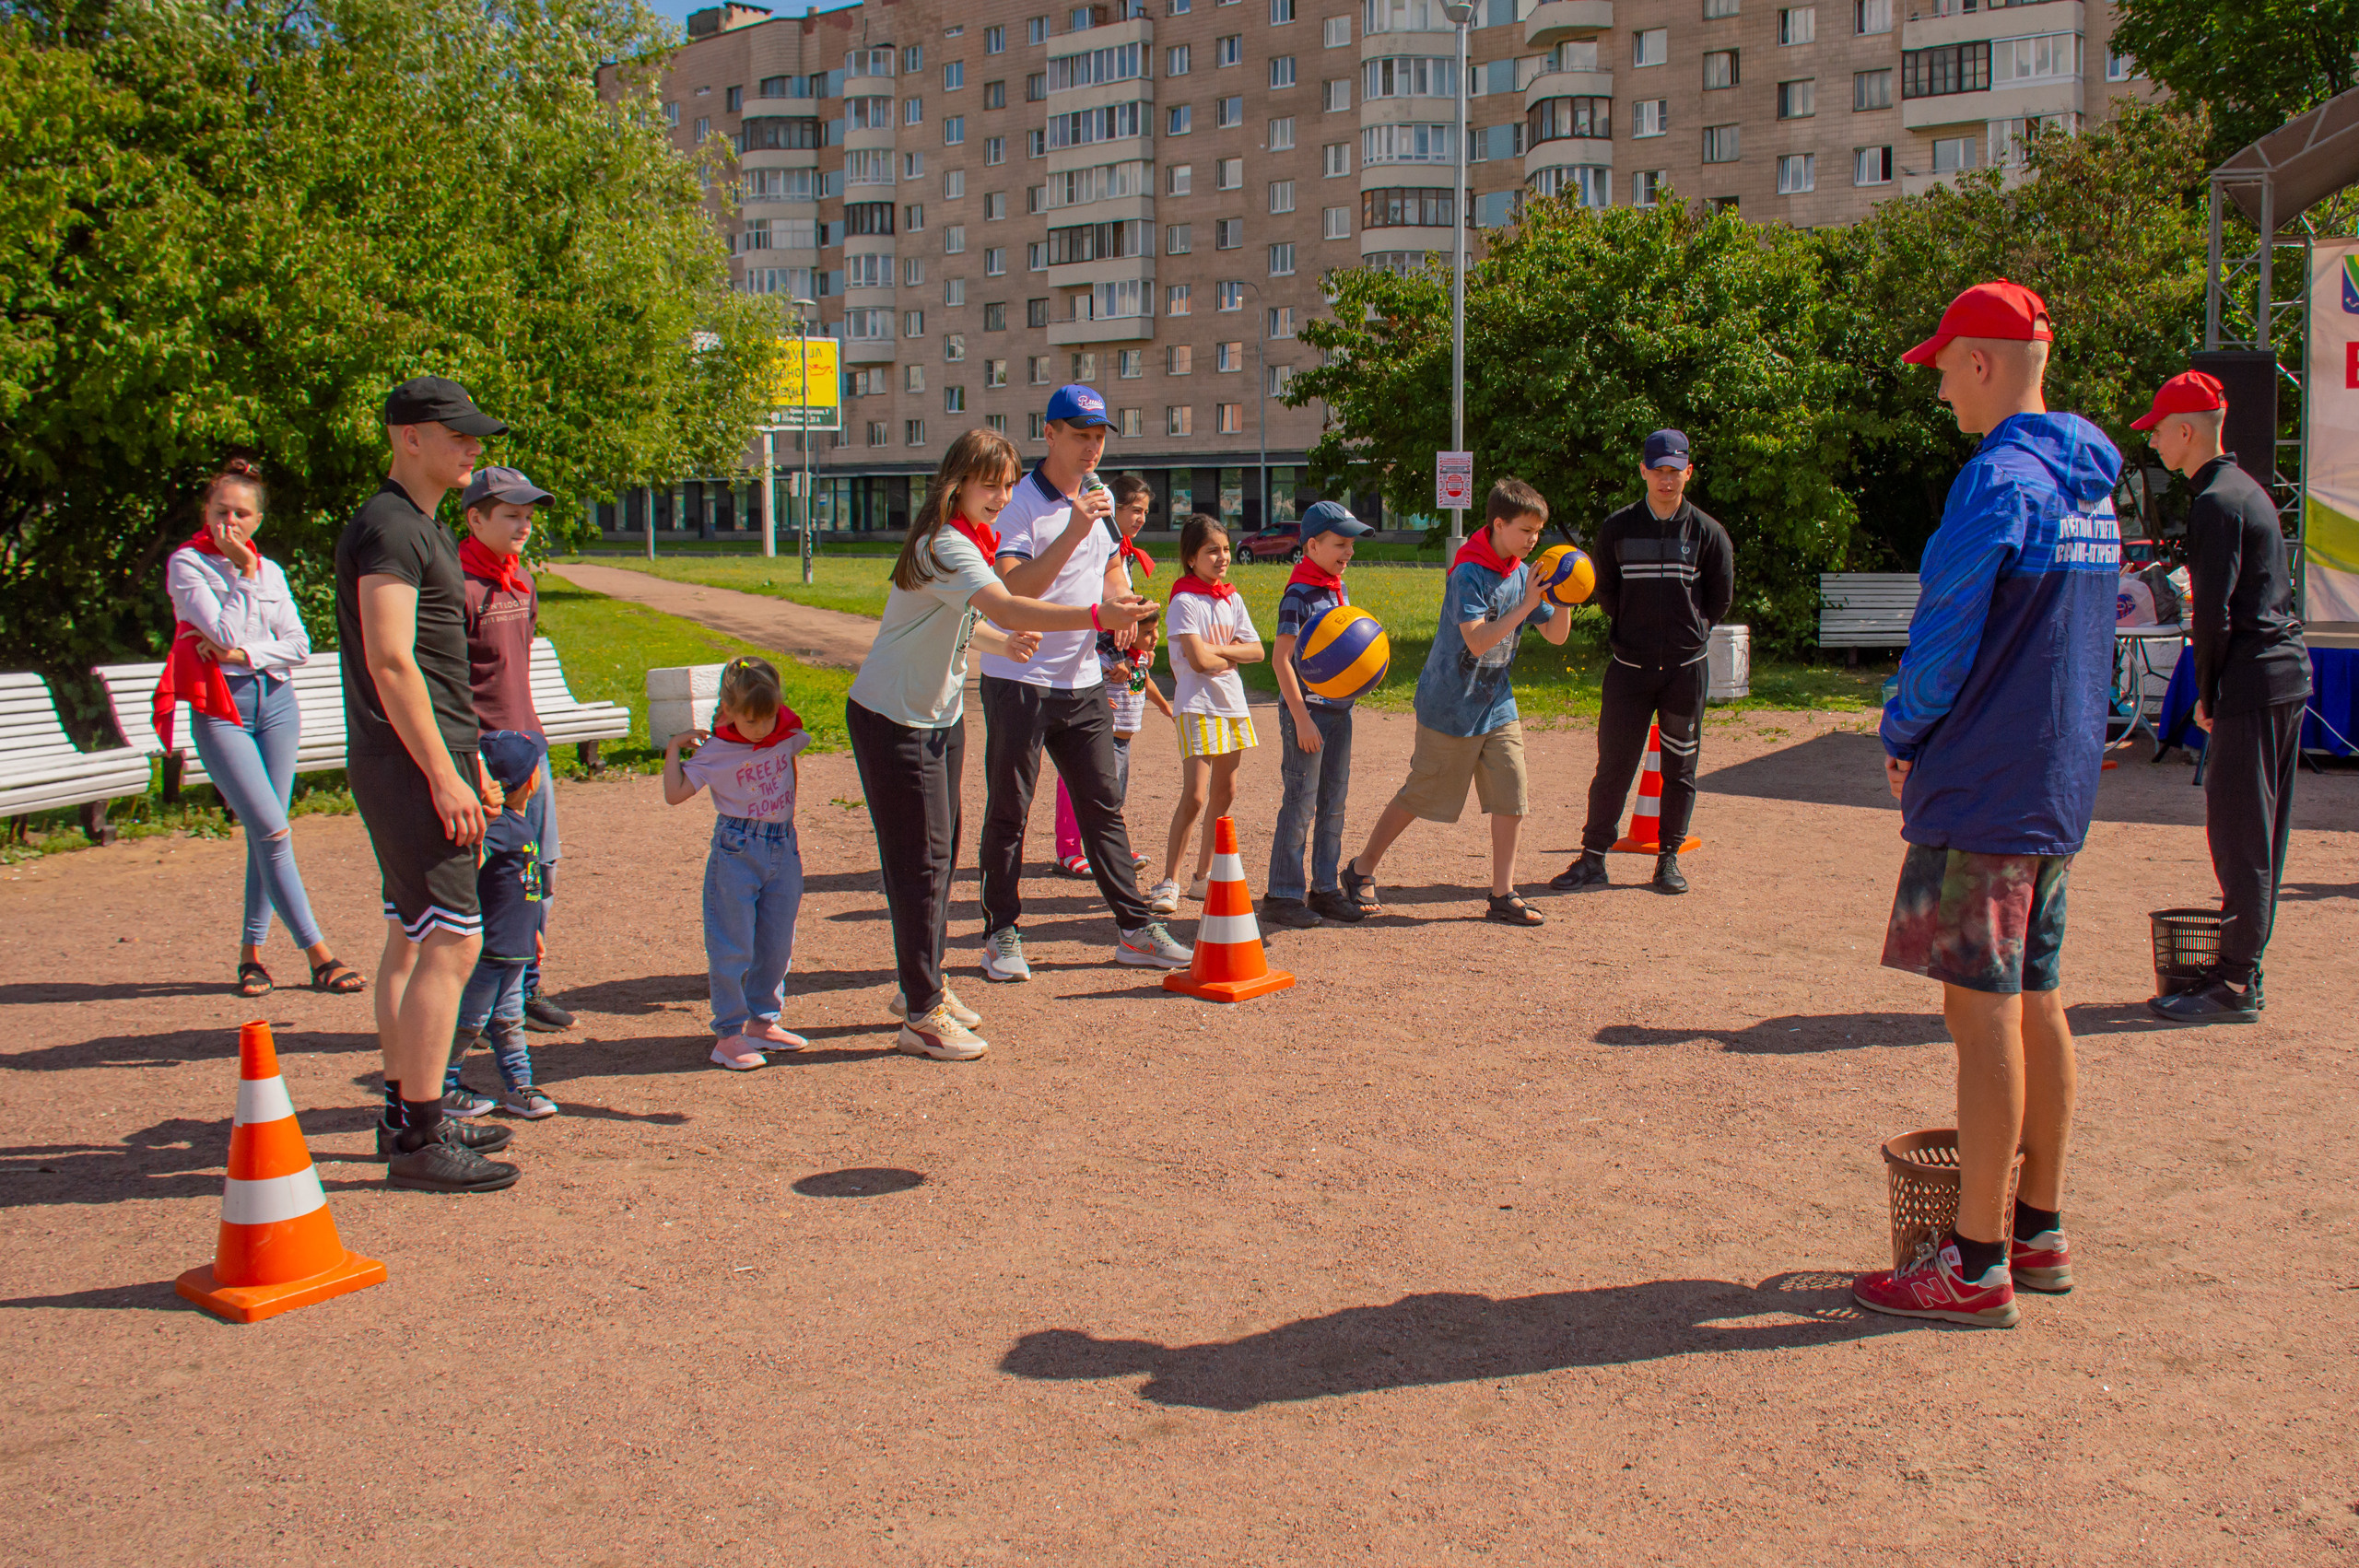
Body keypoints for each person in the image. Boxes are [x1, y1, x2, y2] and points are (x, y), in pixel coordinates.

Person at [1851, 279, 2121, 1328]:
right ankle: (2037, 1227)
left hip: (1983, 783)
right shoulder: (2091, 481)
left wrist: (1902, 735)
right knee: (2040, 999)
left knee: (1980, 1017)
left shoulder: (1997, 480)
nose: (1938, 395)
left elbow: (1946, 630)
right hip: (2056, 783)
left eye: (1941, 370)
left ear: (1980, 363)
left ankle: (1971, 1262)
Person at [845, 427, 1157, 1059]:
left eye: (1009, 485)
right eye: (989, 484)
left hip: (935, 716)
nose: (1001, 496)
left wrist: (993, 642)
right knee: (921, 868)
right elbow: (1012, 606)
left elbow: (956, 618)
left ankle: (922, 988)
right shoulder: (947, 546)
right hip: (893, 720)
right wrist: (1098, 618)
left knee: (941, 856)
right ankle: (921, 1013)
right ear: (956, 482)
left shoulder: (966, 541)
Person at [337, 375, 518, 1194]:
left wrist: (468, 758)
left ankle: (405, 1117)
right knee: (453, 938)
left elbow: (436, 669)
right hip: (409, 765)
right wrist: (443, 775)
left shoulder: (418, 525)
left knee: (413, 935)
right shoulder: (390, 528)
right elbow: (390, 660)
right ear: (409, 436)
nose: (473, 448)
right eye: (458, 434)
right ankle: (420, 1132)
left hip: (427, 756)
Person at [974, 385, 1192, 980]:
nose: (1092, 447)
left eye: (1099, 436)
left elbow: (1109, 568)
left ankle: (1133, 928)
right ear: (1049, 435)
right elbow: (1015, 592)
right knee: (1009, 810)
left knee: (1103, 807)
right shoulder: (1019, 503)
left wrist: (1124, 604)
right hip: (1019, 678)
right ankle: (1000, 934)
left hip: (1081, 679)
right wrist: (1073, 528)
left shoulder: (1097, 496)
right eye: (1080, 435)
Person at [2136, 371, 2310, 1024]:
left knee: (2240, 835)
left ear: (2186, 429)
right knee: (2260, 833)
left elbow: (2211, 614)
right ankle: (2238, 966)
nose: (2153, 440)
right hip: (2282, 676)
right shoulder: (2245, 490)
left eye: (2157, 428)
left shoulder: (2215, 501)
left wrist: (2203, 692)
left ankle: (2237, 982)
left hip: (2251, 679)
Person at [158, 457, 365, 999]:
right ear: (205, 511)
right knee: (273, 831)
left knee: (264, 834)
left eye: (243, 513)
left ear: (259, 519)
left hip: (276, 704)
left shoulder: (270, 570)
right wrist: (238, 577)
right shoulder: (188, 565)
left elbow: (296, 647)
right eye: (222, 510)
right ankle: (319, 954)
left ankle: (251, 957)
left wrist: (243, 650)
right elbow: (219, 626)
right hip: (221, 708)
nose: (232, 521)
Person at [1341, 479, 1571, 925]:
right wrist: (1527, 604)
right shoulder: (1469, 572)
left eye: (1538, 533)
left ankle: (1502, 894)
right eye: (1525, 530)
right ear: (1499, 524)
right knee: (1422, 795)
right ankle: (1360, 868)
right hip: (1449, 704)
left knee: (1511, 792)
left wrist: (1563, 597)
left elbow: (1557, 636)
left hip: (1496, 703)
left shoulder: (1523, 571)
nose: (1533, 540)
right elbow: (1480, 641)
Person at [1552, 429, 1736, 896]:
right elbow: (1605, 590)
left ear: (1688, 473)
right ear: (1643, 471)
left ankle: (1668, 859)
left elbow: (1720, 598)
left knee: (1680, 768)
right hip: (1629, 670)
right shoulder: (1617, 528)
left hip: (1684, 671)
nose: (1666, 479)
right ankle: (1593, 858)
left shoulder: (1708, 533)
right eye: (1658, 470)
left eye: (1675, 471)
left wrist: (1688, 633)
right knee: (1613, 765)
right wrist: (1634, 629)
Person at [456, 463, 575, 1035]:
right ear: (475, 517)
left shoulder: (521, 579)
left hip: (530, 748)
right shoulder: (454, 584)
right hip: (484, 755)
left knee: (540, 872)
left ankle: (525, 989)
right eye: (511, 515)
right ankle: (480, 1000)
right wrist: (473, 761)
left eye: (528, 516)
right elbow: (449, 684)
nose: (524, 525)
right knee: (494, 877)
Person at [663, 657, 812, 1071]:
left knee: (777, 943)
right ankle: (728, 1035)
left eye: (768, 718)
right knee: (732, 947)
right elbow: (675, 794)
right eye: (751, 721)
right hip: (738, 847)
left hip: (783, 844)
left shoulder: (787, 735)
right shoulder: (716, 751)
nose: (761, 729)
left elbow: (791, 763)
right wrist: (675, 747)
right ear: (727, 711)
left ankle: (763, 1021)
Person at [1262, 500, 1376, 929]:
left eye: (1351, 545)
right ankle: (1282, 895)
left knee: (1333, 804)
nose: (1348, 552)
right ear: (1311, 545)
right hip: (1306, 714)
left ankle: (1324, 889)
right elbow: (1281, 661)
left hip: (1338, 712)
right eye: (1340, 544)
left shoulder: (1336, 588)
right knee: (1301, 802)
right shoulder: (1299, 594)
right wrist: (1302, 719)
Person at [1051, 473, 1170, 878]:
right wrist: (1109, 658)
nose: (1140, 518)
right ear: (1109, 508)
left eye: (1145, 511)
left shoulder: (1125, 554)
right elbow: (1089, 610)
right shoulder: (1089, 543)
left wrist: (1140, 650)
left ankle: (1109, 847)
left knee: (1108, 768)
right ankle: (1069, 848)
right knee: (1079, 762)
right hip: (1084, 667)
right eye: (1133, 509)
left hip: (1118, 675)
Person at [1146, 514, 1264, 913]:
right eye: (1212, 550)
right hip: (1197, 705)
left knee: (1225, 793)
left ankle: (1202, 878)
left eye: (1226, 549)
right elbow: (1197, 661)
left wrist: (1223, 654)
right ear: (1191, 558)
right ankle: (1169, 881)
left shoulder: (1232, 598)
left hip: (1232, 703)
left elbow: (1258, 651)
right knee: (1195, 797)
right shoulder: (1184, 600)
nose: (1222, 557)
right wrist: (1230, 653)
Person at [440, 731, 556, 1118]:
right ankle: (442, 1086)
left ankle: (519, 1088)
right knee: (469, 1022)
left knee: (509, 1021)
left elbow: (522, 887)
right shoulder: (499, 825)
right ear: (530, 780)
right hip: (489, 951)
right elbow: (467, 868)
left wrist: (532, 931)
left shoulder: (515, 824)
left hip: (515, 947)